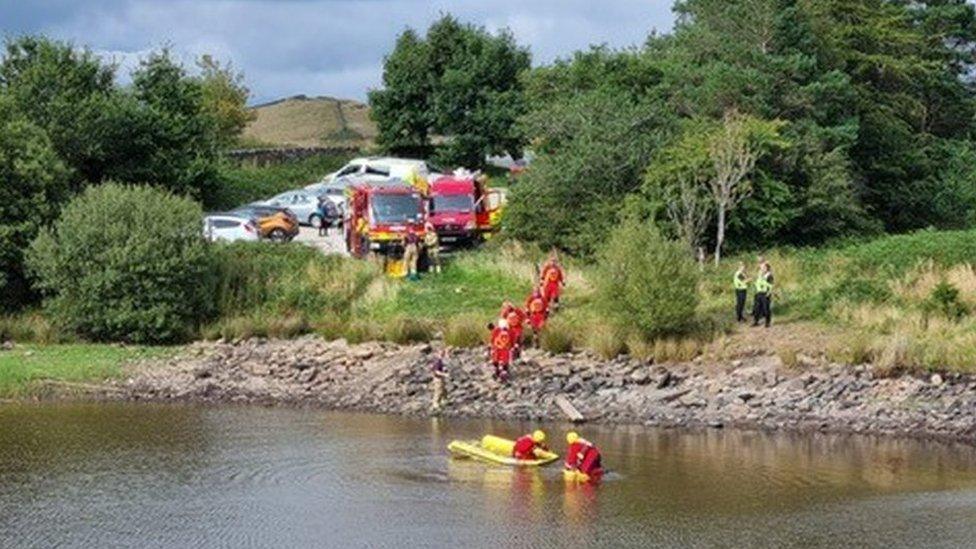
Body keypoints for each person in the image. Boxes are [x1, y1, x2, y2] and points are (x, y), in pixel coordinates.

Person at [752, 262, 774, 328]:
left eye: (764, 267)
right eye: (761, 267)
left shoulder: (769, 275)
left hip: (765, 293)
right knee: (756, 308)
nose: (762, 269)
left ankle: (767, 322)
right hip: (758, 293)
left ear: (767, 268)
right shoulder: (760, 275)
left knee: (766, 308)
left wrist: (769, 293)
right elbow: (757, 283)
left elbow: (771, 286)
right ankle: (756, 321)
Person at [429, 348, 450, 413]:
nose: (442, 354)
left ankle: (443, 401)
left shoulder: (440, 361)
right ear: (437, 354)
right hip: (438, 379)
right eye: (441, 353)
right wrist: (444, 374)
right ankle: (435, 405)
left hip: (440, 378)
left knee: (443, 390)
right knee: (438, 391)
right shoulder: (438, 361)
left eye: (443, 353)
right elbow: (436, 371)